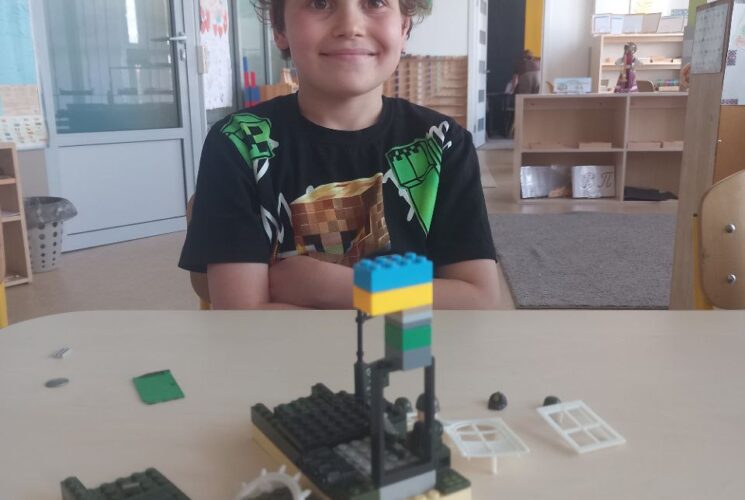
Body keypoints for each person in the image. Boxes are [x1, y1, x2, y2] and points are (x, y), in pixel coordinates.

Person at [179, 0, 502, 310]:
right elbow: (242, 315)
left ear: (404, 27)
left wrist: (335, 286)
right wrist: (402, 300)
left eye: (375, 2)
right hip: (298, 355)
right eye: (320, 2)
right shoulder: (239, 142)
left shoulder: (442, 142)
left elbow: (477, 299)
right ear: (280, 28)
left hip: (405, 349)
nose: (350, 26)